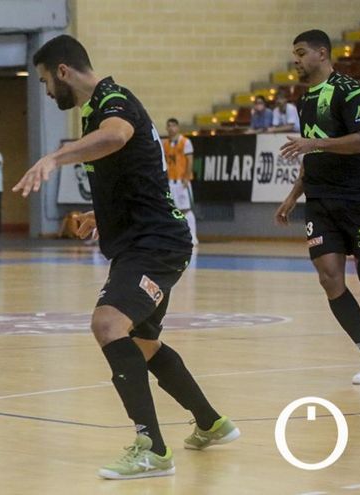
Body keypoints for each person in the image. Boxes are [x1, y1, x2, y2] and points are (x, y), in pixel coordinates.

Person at [15, 34, 238, 480]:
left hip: (155, 244)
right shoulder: (96, 111)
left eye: (44, 81)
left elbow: (117, 137)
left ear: (62, 71)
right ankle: (211, 422)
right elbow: (135, 173)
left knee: (107, 324)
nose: (45, 91)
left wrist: (55, 157)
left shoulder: (112, 101)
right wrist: (99, 214)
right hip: (146, 239)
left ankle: (152, 448)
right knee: (143, 342)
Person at [275, 29, 360, 385]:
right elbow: (312, 152)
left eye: (302, 52)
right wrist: (292, 197)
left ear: (322, 53)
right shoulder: (304, 100)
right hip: (320, 201)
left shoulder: (348, 89)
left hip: (358, 198)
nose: (297, 60)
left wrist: (314, 143)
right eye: (295, 53)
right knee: (329, 277)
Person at [162, 118, 198, 246]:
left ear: (178, 127)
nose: (171, 128)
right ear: (166, 128)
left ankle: (193, 236)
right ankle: (174, 236)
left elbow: (190, 160)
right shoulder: (165, 143)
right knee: (171, 210)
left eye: (173, 126)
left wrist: (187, 177)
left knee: (186, 210)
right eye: (169, 126)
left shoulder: (185, 142)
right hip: (170, 181)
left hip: (182, 181)